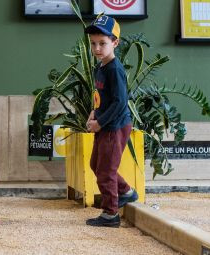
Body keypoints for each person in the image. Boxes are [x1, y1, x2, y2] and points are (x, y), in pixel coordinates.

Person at [83, 15, 139, 228]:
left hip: (114, 126)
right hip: (105, 123)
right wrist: (93, 114)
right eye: (93, 44)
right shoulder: (101, 67)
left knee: (106, 170)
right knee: (96, 164)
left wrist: (100, 123)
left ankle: (110, 214)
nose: (97, 48)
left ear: (115, 42)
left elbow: (119, 103)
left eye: (103, 43)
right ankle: (125, 192)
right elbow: (101, 96)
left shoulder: (115, 69)